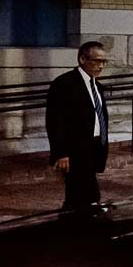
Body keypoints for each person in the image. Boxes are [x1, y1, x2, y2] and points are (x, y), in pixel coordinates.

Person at [46, 41, 111, 209]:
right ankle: (74, 225)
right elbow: (55, 120)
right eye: (97, 61)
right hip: (74, 149)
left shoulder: (97, 86)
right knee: (85, 193)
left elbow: (99, 116)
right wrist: (61, 153)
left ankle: (75, 223)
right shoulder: (64, 83)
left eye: (104, 62)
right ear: (83, 59)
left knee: (81, 194)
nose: (101, 66)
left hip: (95, 146)